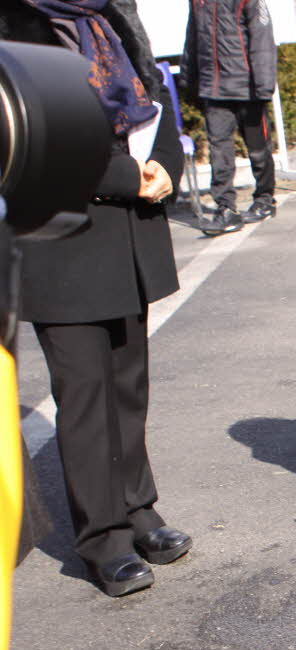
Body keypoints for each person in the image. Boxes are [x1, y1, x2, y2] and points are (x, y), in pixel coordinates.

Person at [2, 0, 194, 597]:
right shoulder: (15, 23)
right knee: (84, 396)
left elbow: (156, 94)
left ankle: (139, 510)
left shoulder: (108, 16)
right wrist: (123, 176)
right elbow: (23, 132)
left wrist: (165, 163)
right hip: (64, 238)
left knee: (128, 387)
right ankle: (103, 537)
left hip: (129, 233)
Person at [183, 0, 278, 235]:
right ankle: (226, 209)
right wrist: (188, 76)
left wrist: (264, 86)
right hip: (213, 88)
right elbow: (192, 36)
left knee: (258, 149)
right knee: (219, 150)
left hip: (248, 87)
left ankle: (264, 200)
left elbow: (262, 38)